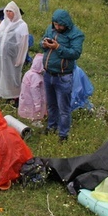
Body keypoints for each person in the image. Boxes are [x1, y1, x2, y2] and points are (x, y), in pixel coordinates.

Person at [41, 9, 85, 142]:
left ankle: (63, 134)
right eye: (55, 24)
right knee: (51, 104)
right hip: (48, 73)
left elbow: (75, 53)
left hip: (63, 76)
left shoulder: (76, 34)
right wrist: (44, 44)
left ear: (66, 24)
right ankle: (51, 126)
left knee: (64, 108)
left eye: (60, 25)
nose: (57, 27)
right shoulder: (51, 29)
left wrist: (58, 47)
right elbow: (41, 45)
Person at [0, 1, 28, 104]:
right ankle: (4, 95)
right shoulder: (4, 23)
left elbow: (23, 43)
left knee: (12, 76)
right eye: (6, 11)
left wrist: (20, 59)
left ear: (15, 12)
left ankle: (14, 97)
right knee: (2, 74)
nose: (8, 13)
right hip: (1, 56)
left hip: (13, 56)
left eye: (10, 11)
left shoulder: (22, 25)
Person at [18, 53, 46, 124]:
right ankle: (35, 122)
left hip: (26, 98)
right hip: (33, 101)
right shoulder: (36, 77)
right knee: (34, 113)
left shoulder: (29, 73)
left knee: (28, 111)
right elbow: (35, 91)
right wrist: (38, 104)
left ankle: (28, 120)